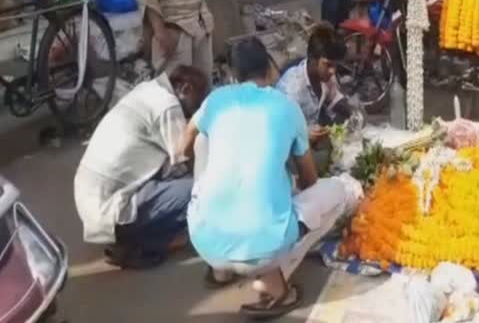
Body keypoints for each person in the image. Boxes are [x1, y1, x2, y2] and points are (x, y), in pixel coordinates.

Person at [179, 36, 359, 318]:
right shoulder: (286, 106)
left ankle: (220, 271)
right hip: (264, 247)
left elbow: (185, 144)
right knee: (336, 191)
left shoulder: (216, 100)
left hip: (204, 239)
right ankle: (275, 288)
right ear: (269, 68)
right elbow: (310, 181)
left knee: (204, 141)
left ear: (232, 74)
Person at [73, 66, 209, 269]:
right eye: (195, 104)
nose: (192, 112)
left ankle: (134, 237)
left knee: (176, 179)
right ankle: (142, 244)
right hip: (112, 210)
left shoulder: (147, 90)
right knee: (201, 189)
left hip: (92, 204)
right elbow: (185, 162)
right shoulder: (167, 106)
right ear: (185, 89)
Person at [277, 23, 351, 171]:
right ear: (312, 58)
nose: (332, 71)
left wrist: (353, 110)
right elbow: (280, 133)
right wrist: (304, 134)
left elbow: (337, 100)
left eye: (335, 66)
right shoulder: (292, 88)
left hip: (313, 143)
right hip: (288, 154)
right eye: (328, 65)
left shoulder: (326, 77)